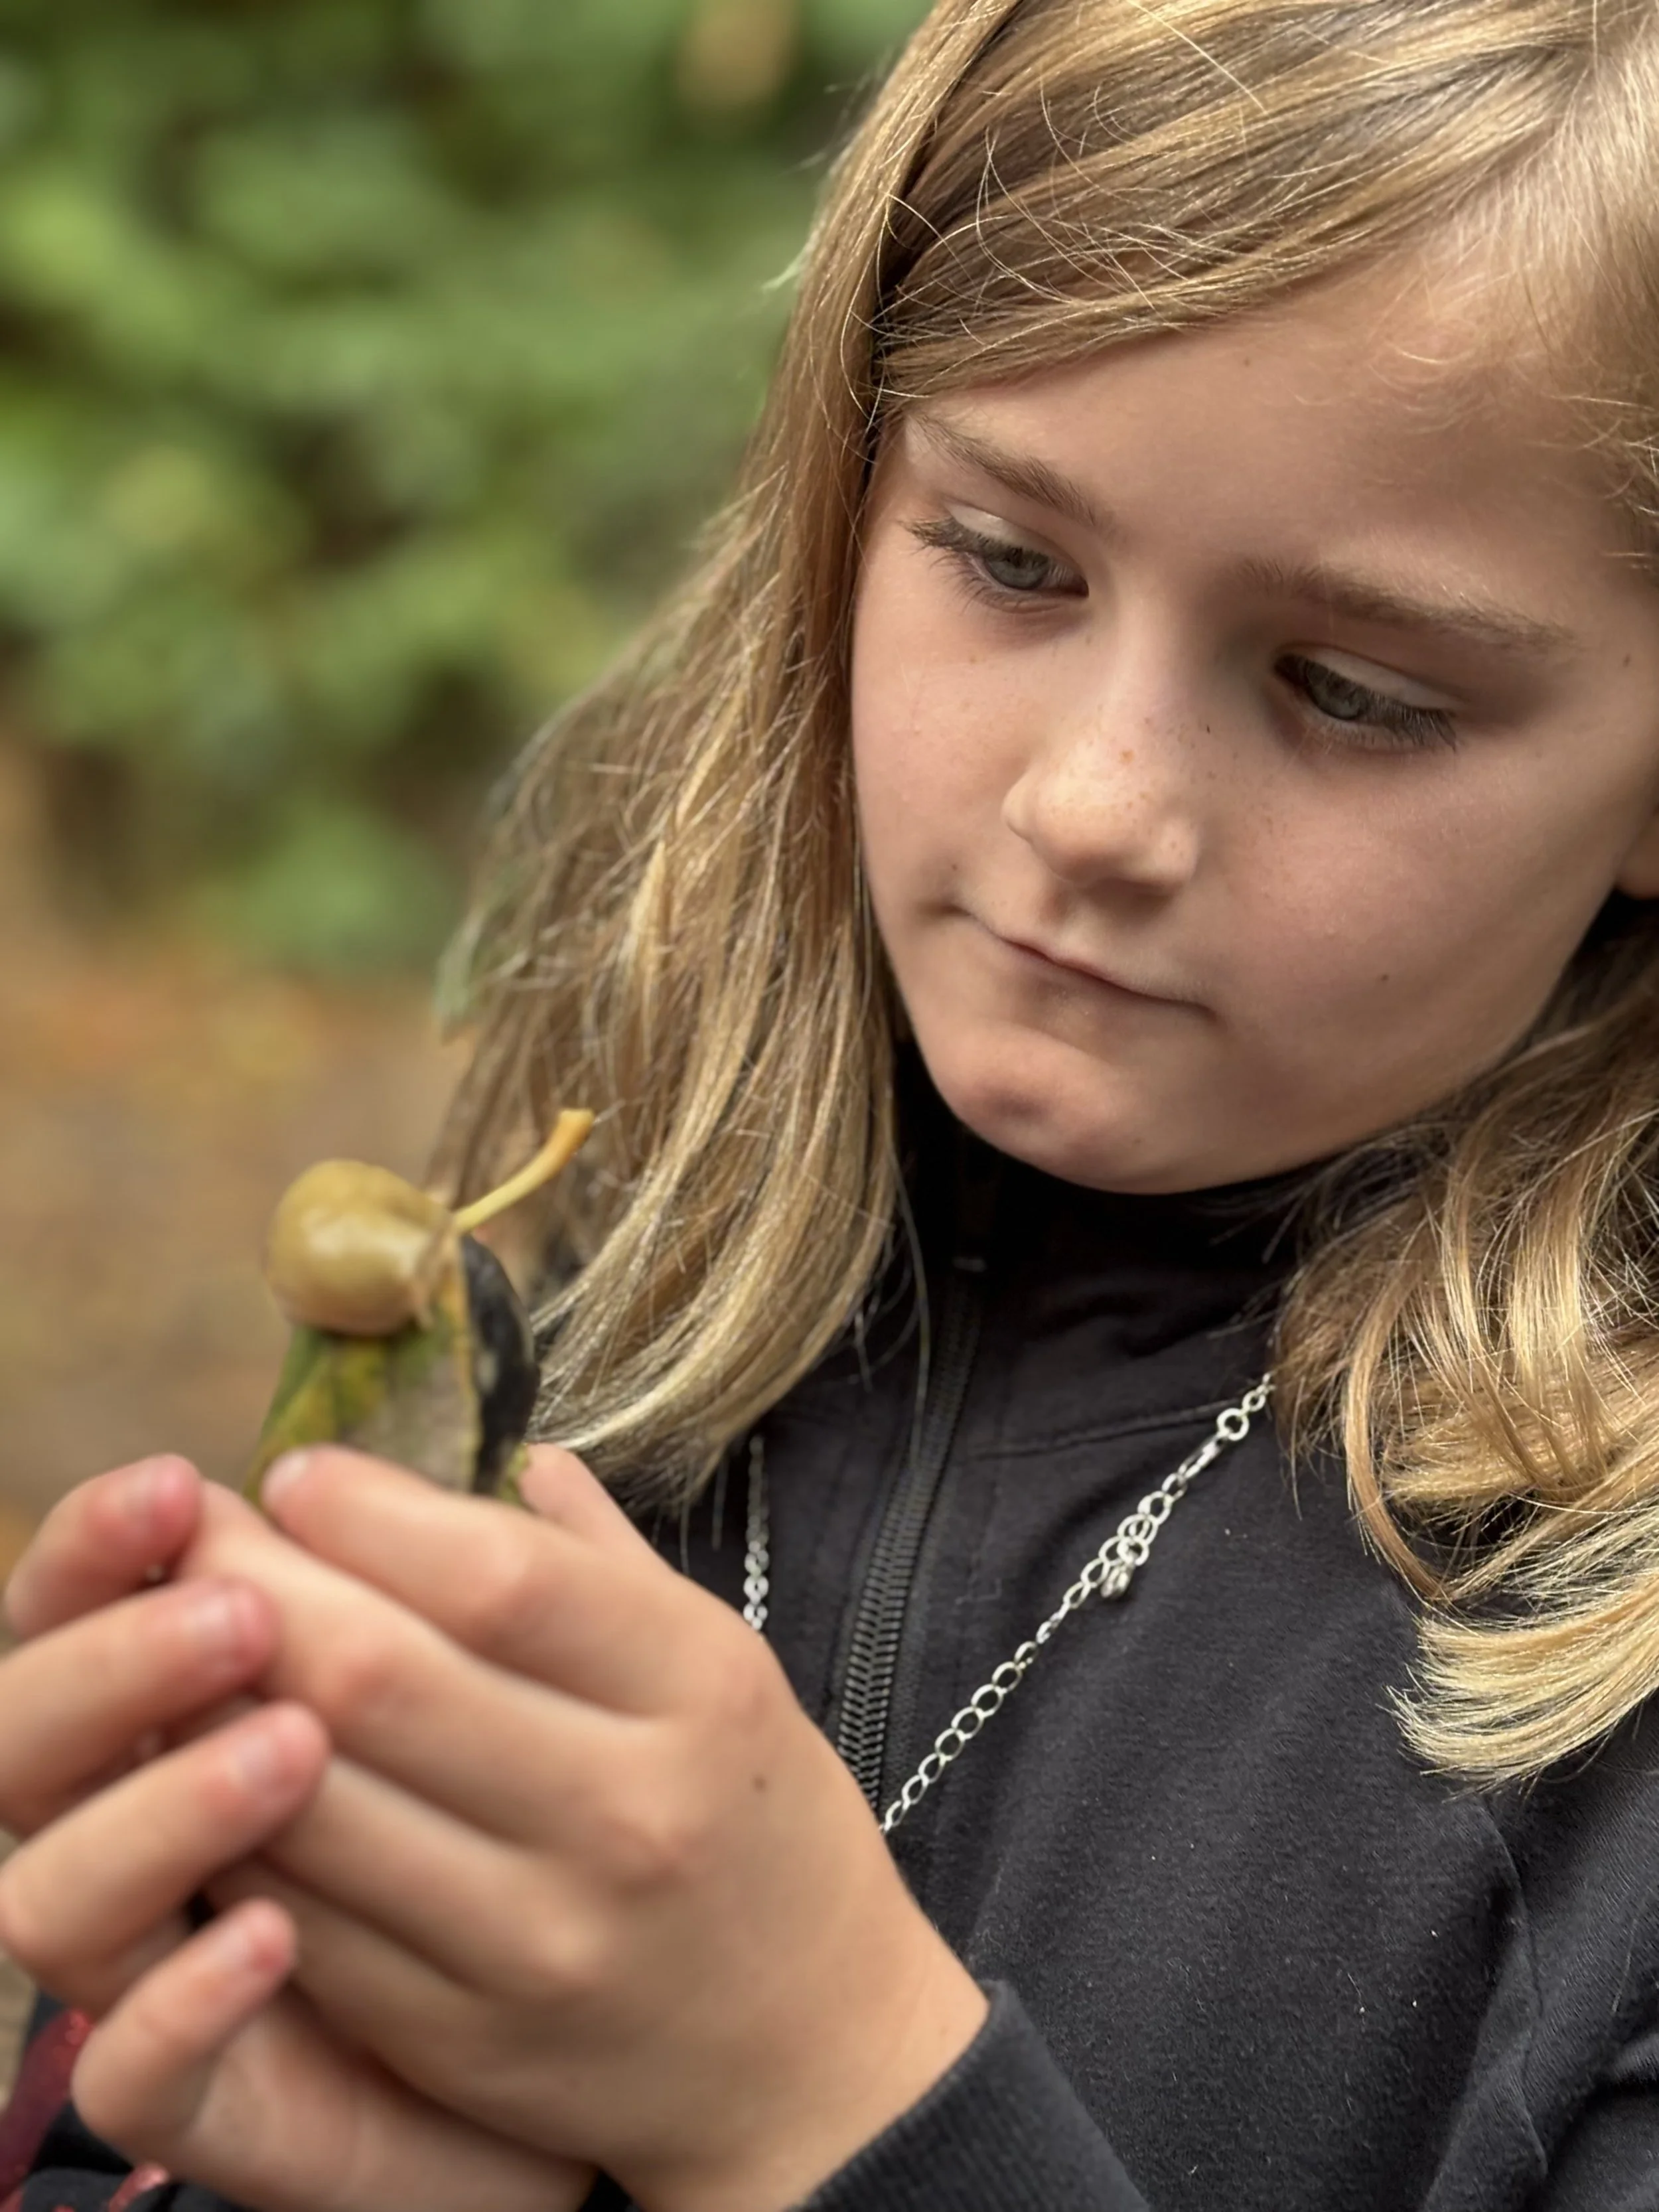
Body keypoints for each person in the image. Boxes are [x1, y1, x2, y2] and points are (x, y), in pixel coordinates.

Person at [6, 0, 1659, 2204]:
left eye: (1352, 691)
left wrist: (830, 2104)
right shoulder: (570, 1346)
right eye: (1007, 561)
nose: (1094, 806)